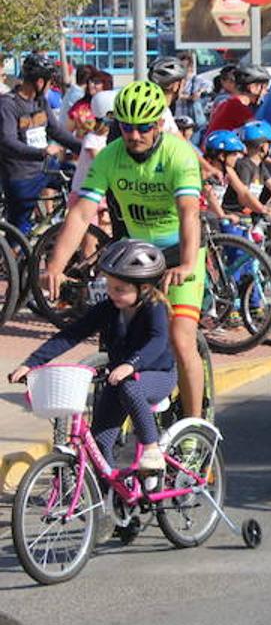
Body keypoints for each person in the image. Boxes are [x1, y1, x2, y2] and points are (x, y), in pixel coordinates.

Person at [44, 81, 207, 418]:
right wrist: (56, 266)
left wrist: (188, 263)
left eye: (143, 127)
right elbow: (81, 213)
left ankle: (195, 429)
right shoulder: (109, 157)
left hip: (179, 253)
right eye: (126, 127)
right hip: (138, 258)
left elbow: (189, 211)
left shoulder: (179, 154)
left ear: (159, 124)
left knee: (180, 337)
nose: (134, 135)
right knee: (126, 337)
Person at [11, 240, 177, 472]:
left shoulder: (154, 308)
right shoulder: (109, 307)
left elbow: (157, 342)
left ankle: (151, 448)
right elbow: (72, 334)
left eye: (119, 289)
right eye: (109, 287)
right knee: (99, 443)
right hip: (119, 378)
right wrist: (32, 363)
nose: (111, 294)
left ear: (145, 287)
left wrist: (131, 365)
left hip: (157, 375)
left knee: (131, 388)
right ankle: (107, 497)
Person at [0, 54, 82, 232]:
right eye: (49, 82)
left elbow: (55, 130)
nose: (50, 87)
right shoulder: (8, 105)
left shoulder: (40, 101)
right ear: (39, 82)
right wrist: (41, 152)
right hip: (21, 175)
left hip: (45, 168)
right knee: (19, 231)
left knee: (78, 177)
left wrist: (82, 148)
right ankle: (13, 257)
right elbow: (7, 142)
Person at [206, 62, 270, 133]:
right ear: (252, 88)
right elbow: (261, 132)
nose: (266, 92)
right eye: (264, 87)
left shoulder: (228, 103)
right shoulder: (237, 106)